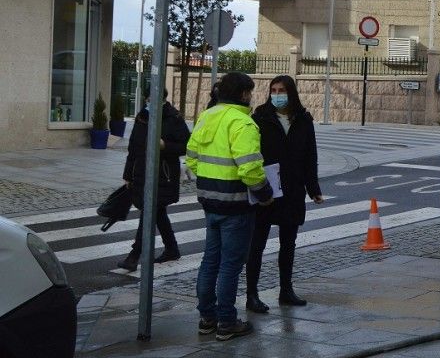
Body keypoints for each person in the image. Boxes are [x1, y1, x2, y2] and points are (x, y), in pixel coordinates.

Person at [186, 72, 273, 341]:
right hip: (235, 205)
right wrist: (264, 193)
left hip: (210, 201)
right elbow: (250, 168)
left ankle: (207, 318)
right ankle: (226, 322)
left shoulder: (207, 116)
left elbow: (191, 158)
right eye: (250, 92)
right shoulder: (242, 123)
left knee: (210, 261)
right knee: (230, 266)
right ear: (244, 94)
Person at [244, 75, 323, 312]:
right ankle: (252, 294)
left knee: (288, 243)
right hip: (266, 190)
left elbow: (311, 157)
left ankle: (286, 290)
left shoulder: (303, 119)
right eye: (273, 90)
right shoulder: (260, 118)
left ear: (291, 93)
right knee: (256, 244)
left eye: (282, 90)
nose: (277, 94)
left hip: (293, 190)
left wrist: (314, 189)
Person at [118, 91, 191, 271]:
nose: (150, 103)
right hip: (142, 172)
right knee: (156, 212)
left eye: (154, 100)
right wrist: (128, 175)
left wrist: (165, 146)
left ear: (163, 98)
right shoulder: (142, 117)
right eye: (148, 99)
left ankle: (134, 255)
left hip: (163, 174)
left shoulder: (173, 118)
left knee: (150, 211)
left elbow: (186, 145)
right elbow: (133, 148)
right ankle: (172, 248)